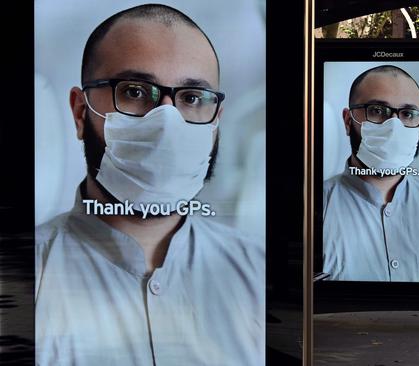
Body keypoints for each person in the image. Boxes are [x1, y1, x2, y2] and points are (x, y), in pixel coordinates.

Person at [35, 5, 263, 365]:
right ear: (81, 112)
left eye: (192, 98)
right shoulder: (23, 280)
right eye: (136, 92)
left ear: (216, 119)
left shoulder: (260, 276)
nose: (167, 122)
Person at [322, 65, 419, 282]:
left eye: (408, 114)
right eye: (378, 111)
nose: (394, 125)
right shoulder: (315, 208)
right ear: (348, 121)